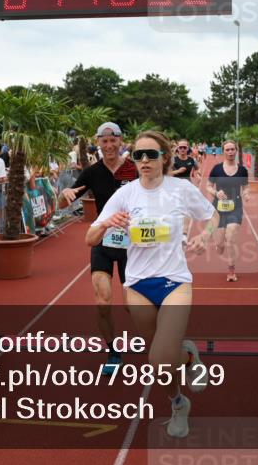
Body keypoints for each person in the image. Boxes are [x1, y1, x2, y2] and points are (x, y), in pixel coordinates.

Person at [87, 130, 219, 438]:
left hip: (175, 281)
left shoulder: (180, 190)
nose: (145, 160)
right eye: (138, 155)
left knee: (159, 359)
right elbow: (90, 238)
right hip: (137, 285)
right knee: (163, 363)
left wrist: (205, 236)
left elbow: (213, 216)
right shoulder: (126, 194)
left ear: (165, 158)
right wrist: (108, 223)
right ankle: (179, 396)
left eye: (151, 154)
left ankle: (184, 359)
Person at [58, 122, 137, 375]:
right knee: (102, 300)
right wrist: (65, 193)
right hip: (103, 240)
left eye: (113, 141)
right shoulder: (92, 172)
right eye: (104, 141)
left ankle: (159, 335)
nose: (109, 146)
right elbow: (62, 204)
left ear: (120, 140)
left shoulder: (134, 169)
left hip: (131, 245)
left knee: (132, 304)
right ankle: (113, 351)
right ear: (98, 143)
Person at [206, 139, 251, 282]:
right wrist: (215, 193)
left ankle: (231, 270)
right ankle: (219, 244)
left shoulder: (242, 170)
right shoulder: (217, 169)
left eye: (232, 149)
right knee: (219, 244)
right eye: (227, 150)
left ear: (236, 151)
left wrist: (246, 194)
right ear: (223, 151)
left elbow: (245, 187)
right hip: (218, 209)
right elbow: (208, 186)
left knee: (230, 237)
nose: (230, 152)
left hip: (235, 207)